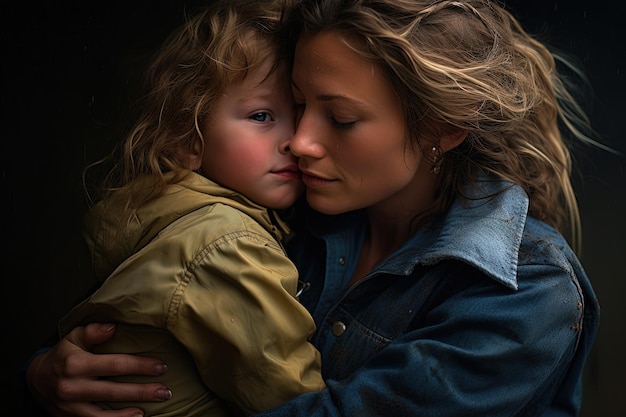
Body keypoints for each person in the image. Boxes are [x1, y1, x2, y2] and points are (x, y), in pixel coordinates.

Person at [24, 0, 603, 416]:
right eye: (296, 105)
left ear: (443, 127)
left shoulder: (528, 291)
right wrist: (51, 372)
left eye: (341, 118)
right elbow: (151, 308)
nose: (299, 142)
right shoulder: (288, 211)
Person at [23, 0, 327, 416]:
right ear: (188, 139)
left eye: (303, 113)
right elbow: (294, 399)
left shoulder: (172, 217)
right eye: (261, 115)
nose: (295, 140)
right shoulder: (224, 244)